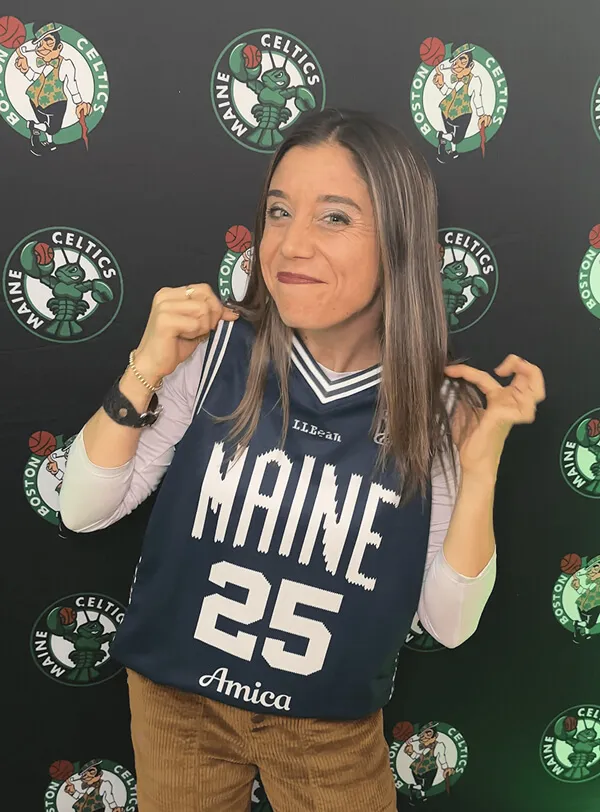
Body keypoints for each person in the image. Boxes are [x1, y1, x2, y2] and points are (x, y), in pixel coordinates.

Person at [60, 108, 545, 811]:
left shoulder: (436, 408)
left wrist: (482, 467)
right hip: (180, 704)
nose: (290, 245)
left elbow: (450, 621)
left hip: (328, 723)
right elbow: (81, 508)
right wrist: (144, 368)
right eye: (279, 212)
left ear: (401, 245)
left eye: (336, 218)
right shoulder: (213, 354)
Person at [15, 21, 92, 156]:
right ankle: (34, 127)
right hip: (44, 101)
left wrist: (79, 103)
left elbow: (72, 85)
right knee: (53, 127)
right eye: (39, 44)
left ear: (59, 46)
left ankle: (49, 141)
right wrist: (25, 69)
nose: (42, 47)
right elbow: (36, 78)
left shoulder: (66, 64)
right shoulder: (46, 65)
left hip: (46, 101)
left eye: (48, 42)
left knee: (48, 126)